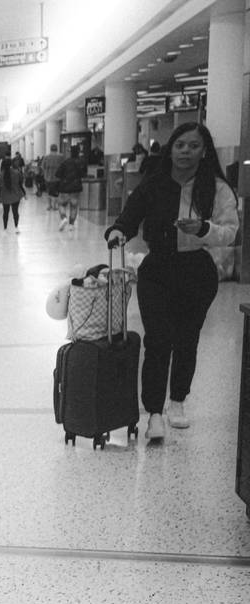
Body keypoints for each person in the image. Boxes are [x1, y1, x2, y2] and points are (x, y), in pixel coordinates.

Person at [104, 122, 240, 441]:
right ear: (171, 149)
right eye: (180, 145)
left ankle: (177, 401)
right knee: (158, 339)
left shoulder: (217, 188)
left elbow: (231, 231)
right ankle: (153, 412)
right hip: (157, 271)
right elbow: (128, 218)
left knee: (186, 339)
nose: (185, 151)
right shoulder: (154, 184)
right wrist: (117, 232)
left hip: (197, 272)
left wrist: (203, 229)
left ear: (204, 151)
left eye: (193, 146)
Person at [55, 145, 86, 230]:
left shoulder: (65, 162)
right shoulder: (81, 162)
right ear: (78, 152)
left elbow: (57, 174)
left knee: (61, 204)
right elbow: (84, 174)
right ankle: (71, 225)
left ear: (70, 152)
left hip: (64, 187)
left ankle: (64, 218)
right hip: (76, 188)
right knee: (74, 206)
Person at [0, 156, 26, 233]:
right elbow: (21, 183)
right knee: (15, 212)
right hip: (15, 195)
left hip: (5, 197)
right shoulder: (17, 173)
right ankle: (16, 227)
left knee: (5, 213)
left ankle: (5, 228)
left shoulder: (0, 175)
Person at [42, 144, 66, 211]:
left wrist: (46, 172)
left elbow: (42, 167)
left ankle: (49, 205)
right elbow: (64, 167)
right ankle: (55, 206)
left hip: (48, 178)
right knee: (56, 193)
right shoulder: (61, 157)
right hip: (57, 178)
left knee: (48, 192)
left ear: (50, 149)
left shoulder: (46, 157)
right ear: (57, 149)